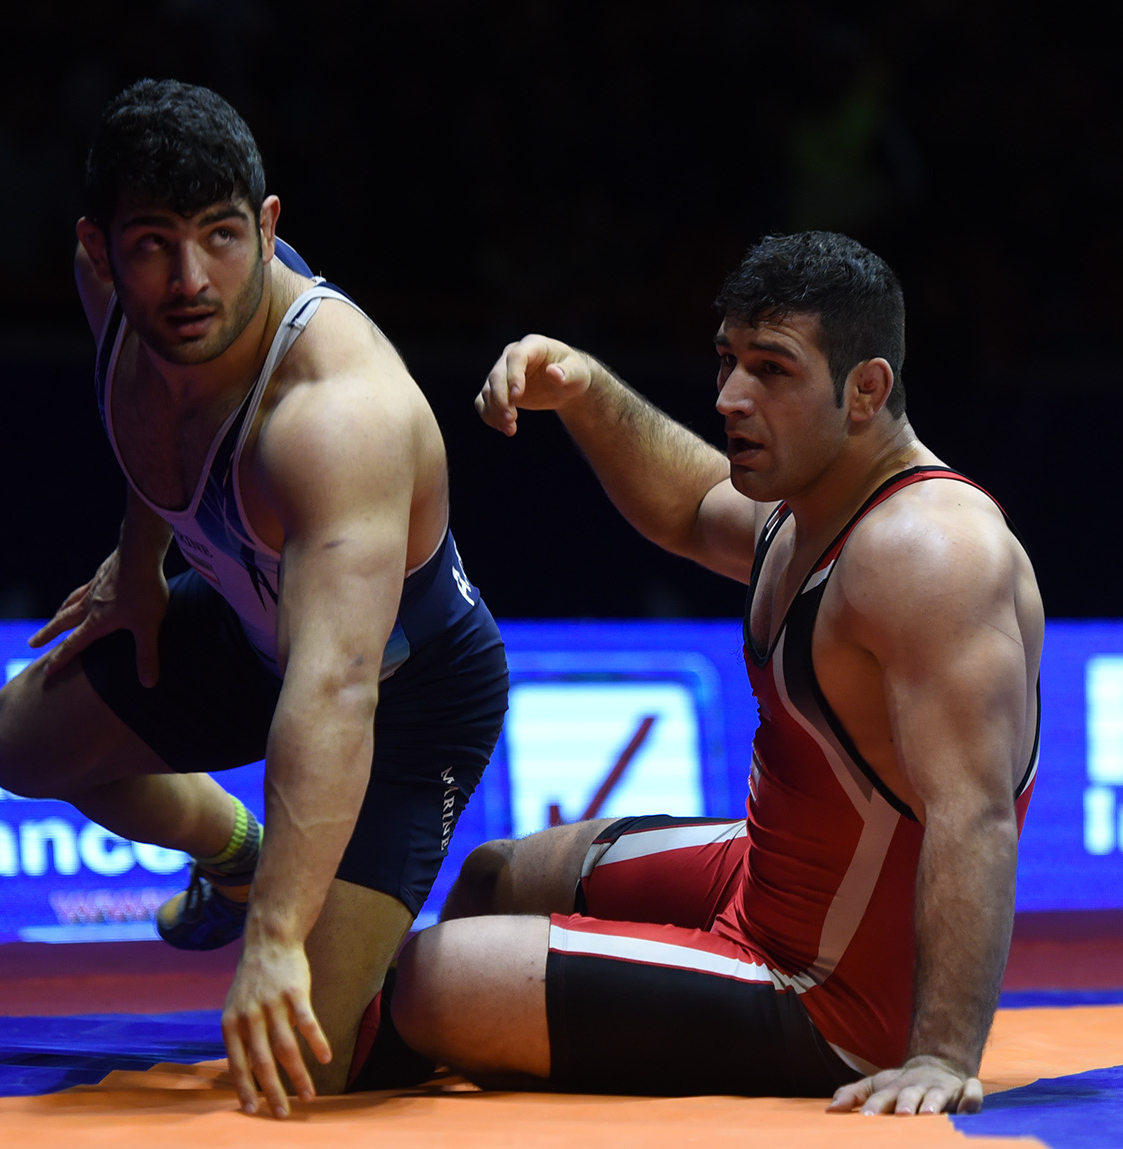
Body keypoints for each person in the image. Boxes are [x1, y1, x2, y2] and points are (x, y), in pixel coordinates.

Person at [387, 231, 1041, 1115]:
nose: (731, 396)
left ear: (866, 390)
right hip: (760, 881)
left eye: (772, 369)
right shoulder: (811, 506)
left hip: (826, 996)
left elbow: (976, 814)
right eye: (728, 360)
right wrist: (582, 387)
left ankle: (376, 1031)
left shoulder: (930, 553)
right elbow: (692, 508)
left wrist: (940, 1055)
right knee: (494, 877)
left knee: (433, 979)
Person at [0, 79, 507, 1118]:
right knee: (16, 745)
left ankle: (457, 949)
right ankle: (239, 856)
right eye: (152, 246)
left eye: (220, 237)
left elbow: (336, 690)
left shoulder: (336, 415)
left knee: (307, 1068)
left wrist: (275, 942)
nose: (189, 281)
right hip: (250, 629)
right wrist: (137, 567)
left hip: (403, 696)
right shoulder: (116, 304)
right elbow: (155, 429)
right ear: (98, 250)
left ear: (267, 227)